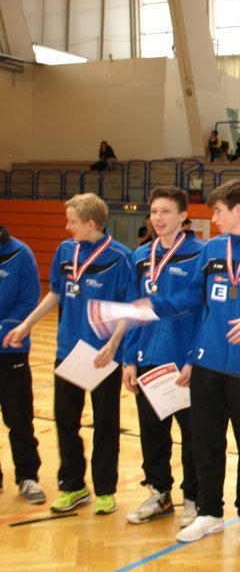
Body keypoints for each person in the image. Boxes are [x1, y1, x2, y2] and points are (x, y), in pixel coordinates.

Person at [148, 180, 240, 545]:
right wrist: (152, 305)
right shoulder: (213, 249)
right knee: (206, 443)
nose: (212, 218)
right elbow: (192, 297)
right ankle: (210, 513)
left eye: (217, 211)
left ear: (238, 210)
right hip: (207, 364)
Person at [3, 194, 132, 515]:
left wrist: (113, 343)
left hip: (103, 355)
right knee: (65, 421)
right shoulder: (65, 251)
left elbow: (129, 307)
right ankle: (73, 486)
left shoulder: (121, 257)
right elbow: (55, 294)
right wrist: (26, 325)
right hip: (69, 351)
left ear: (91, 223)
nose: (67, 226)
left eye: (72, 221)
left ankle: (105, 490)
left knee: (105, 424)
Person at [122, 187, 205, 527]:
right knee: (152, 432)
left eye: (166, 211)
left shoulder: (201, 254)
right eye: (154, 211)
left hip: (183, 361)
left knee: (193, 435)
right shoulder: (141, 256)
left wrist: (193, 358)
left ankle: (194, 498)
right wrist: (129, 358)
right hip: (147, 357)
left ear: (183, 216)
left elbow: (205, 310)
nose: (157, 218)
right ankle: (159, 493)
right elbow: (133, 309)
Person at [0, 225, 45, 505]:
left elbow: (28, 301)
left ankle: (28, 476)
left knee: (19, 417)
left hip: (11, 351)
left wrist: (3, 330)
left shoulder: (20, 254)